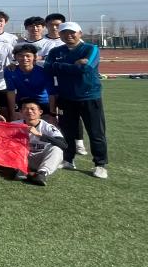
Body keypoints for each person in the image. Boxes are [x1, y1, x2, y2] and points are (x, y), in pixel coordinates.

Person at [43, 22, 108, 178]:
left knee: (96, 132)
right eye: (64, 33)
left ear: (80, 33)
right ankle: (68, 159)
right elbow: (48, 68)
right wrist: (74, 65)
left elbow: (86, 68)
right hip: (66, 97)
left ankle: (100, 164)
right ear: (60, 35)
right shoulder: (56, 51)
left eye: (72, 32)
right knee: (67, 131)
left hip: (89, 97)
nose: (68, 35)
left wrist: (59, 66)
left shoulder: (91, 48)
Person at [13, 99, 66, 185]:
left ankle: (41, 174)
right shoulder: (14, 125)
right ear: (21, 111)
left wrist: (39, 135)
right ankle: (24, 172)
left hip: (41, 159)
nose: (29, 111)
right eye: (25, 109)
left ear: (40, 112)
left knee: (57, 149)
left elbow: (63, 144)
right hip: (22, 158)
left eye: (33, 109)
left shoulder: (48, 127)